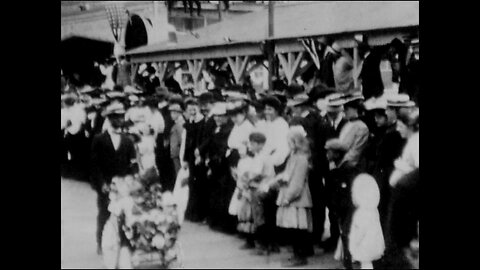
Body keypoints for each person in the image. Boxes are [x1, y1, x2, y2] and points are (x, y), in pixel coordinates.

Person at [90, 102, 138, 255]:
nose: (119, 120)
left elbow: (133, 163)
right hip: (106, 184)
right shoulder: (99, 139)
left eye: (121, 117)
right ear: (109, 119)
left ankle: (124, 242)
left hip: (124, 184)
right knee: (104, 212)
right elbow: (94, 164)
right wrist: (101, 183)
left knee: (125, 213)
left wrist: (133, 179)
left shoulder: (127, 140)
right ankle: (100, 241)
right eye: (115, 117)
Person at [274, 126, 313, 267]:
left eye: (290, 141)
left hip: (297, 199)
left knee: (298, 230)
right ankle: (297, 254)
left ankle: (301, 256)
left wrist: (288, 197)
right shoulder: (293, 156)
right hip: (291, 196)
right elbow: (288, 173)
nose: (288, 144)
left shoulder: (301, 159)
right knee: (293, 229)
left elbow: (297, 182)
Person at [324, 139, 361, 269]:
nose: (327, 154)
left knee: (346, 234)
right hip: (342, 208)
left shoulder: (348, 169)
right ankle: (347, 264)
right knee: (345, 235)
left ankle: (348, 265)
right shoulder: (338, 168)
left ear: (337, 154)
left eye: (329, 152)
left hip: (348, 207)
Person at [204, 102, 236, 233]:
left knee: (224, 194)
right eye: (216, 116)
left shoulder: (227, 130)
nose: (217, 118)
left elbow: (222, 149)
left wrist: (213, 161)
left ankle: (225, 224)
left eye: (220, 116)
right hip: (215, 164)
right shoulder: (217, 129)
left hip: (223, 166)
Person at [348, 174, 385, 269]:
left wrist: (354, 245)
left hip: (364, 247)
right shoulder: (374, 210)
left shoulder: (360, 213)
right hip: (376, 245)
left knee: (366, 265)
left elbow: (359, 232)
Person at [338, 93, 370, 169]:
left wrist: (340, 165)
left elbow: (355, 152)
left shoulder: (362, 127)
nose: (344, 111)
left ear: (355, 109)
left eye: (347, 109)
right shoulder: (345, 124)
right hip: (341, 163)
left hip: (352, 167)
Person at [168, 97, 186, 185]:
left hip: (178, 154)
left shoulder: (180, 125)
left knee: (179, 174)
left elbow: (182, 140)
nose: (171, 115)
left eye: (173, 113)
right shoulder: (177, 124)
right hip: (175, 153)